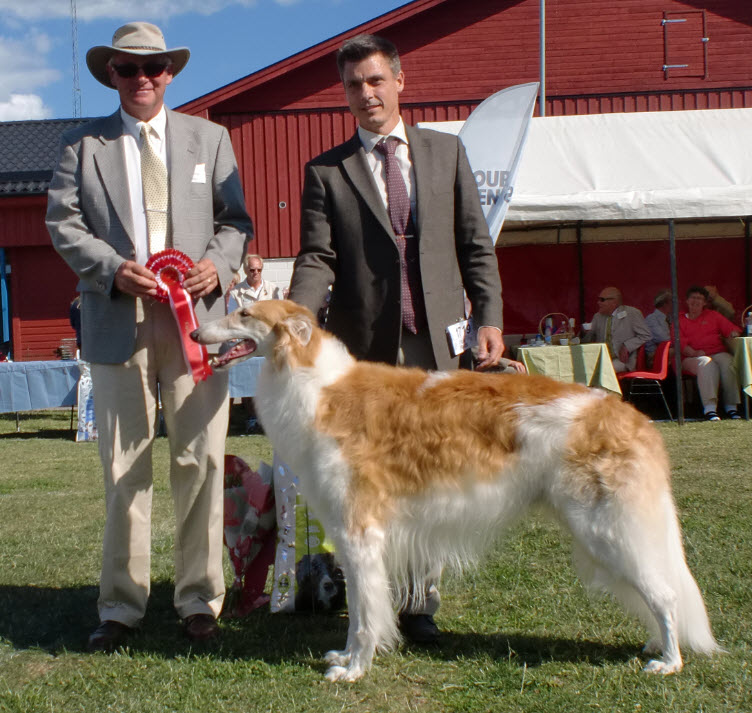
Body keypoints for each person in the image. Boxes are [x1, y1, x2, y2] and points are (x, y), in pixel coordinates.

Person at [287, 34, 505, 643]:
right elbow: (317, 257)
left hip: (438, 345)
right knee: (369, 478)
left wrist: (488, 316)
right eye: (354, 85)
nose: (366, 94)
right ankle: (366, 591)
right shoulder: (326, 172)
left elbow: (475, 246)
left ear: (400, 81)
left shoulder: (446, 153)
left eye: (376, 80)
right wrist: (297, 320)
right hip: (366, 355)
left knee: (427, 473)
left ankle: (419, 603)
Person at [46, 22, 253, 652]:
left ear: (171, 72)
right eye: (128, 68)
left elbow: (235, 222)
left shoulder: (211, 139)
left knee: (201, 461)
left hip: (198, 327)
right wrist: (112, 271)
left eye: (154, 67)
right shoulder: (81, 144)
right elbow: (63, 222)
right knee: (123, 469)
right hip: (116, 325)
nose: (142, 78)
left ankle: (199, 600)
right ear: (110, 73)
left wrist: (219, 261)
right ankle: (120, 606)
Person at [678, 286, 741, 421]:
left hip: (716, 352)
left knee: (728, 362)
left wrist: (733, 333)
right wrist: (695, 352)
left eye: (700, 298)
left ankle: (731, 407)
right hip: (690, 357)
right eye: (693, 298)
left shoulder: (713, 315)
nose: (696, 301)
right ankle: (710, 408)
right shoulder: (680, 320)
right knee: (706, 363)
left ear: (705, 303)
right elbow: (681, 344)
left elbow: (731, 329)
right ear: (687, 301)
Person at [582, 287, 651, 372]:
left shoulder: (631, 313)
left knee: (602, 370)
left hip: (622, 360)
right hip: (601, 359)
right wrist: (584, 333)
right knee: (583, 367)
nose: (598, 302)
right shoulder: (598, 316)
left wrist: (627, 346)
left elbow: (646, 335)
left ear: (614, 302)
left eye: (602, 300)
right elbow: (587, 340)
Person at [644, 288, 672, 366]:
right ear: (664, 304)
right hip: (654, 355)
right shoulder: (651, 319)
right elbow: (663, 339)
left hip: (665, 350)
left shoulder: (669, 318)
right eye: (672, 302)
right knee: (680, 351)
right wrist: (680, 341)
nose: (674, 305)